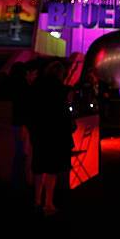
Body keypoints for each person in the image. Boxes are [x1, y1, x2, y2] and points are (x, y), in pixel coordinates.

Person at [27, 61, 74, 215]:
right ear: (61, 74)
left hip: (39, 134)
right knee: (52, 170)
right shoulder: (62, 90)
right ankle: (48, 203)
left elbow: (31, 112)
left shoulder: (35, 88)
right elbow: (65, 114)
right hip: (55, 135)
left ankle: (36, 200)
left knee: (39, 168)